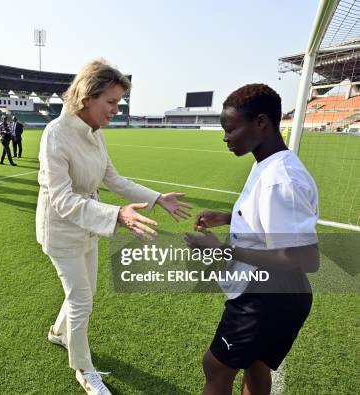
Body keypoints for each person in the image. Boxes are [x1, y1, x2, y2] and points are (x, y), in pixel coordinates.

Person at [36, 59, 191, 395]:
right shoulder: (56, 135)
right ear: (86, 97)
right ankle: (83, 368)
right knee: (81, 300)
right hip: (61, 232)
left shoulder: (95, 134)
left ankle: (58, 333)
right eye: (110, 102)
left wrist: (157, 197)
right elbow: (62, 200)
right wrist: (116, 215)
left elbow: (113, 178)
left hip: (88, 227)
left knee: (85, 293)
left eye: (118, 103)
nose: (115, 110)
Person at [184, 84, 319, 395]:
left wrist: (223, 250)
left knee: (216, 367)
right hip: (275, 293)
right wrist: (228, 217)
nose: (225, 138)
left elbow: (304, 258)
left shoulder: (280, 179)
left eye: (231, 129)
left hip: (266, 296)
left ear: (261, 122)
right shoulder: (268, 164)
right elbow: (271, 222)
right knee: (256, 365)